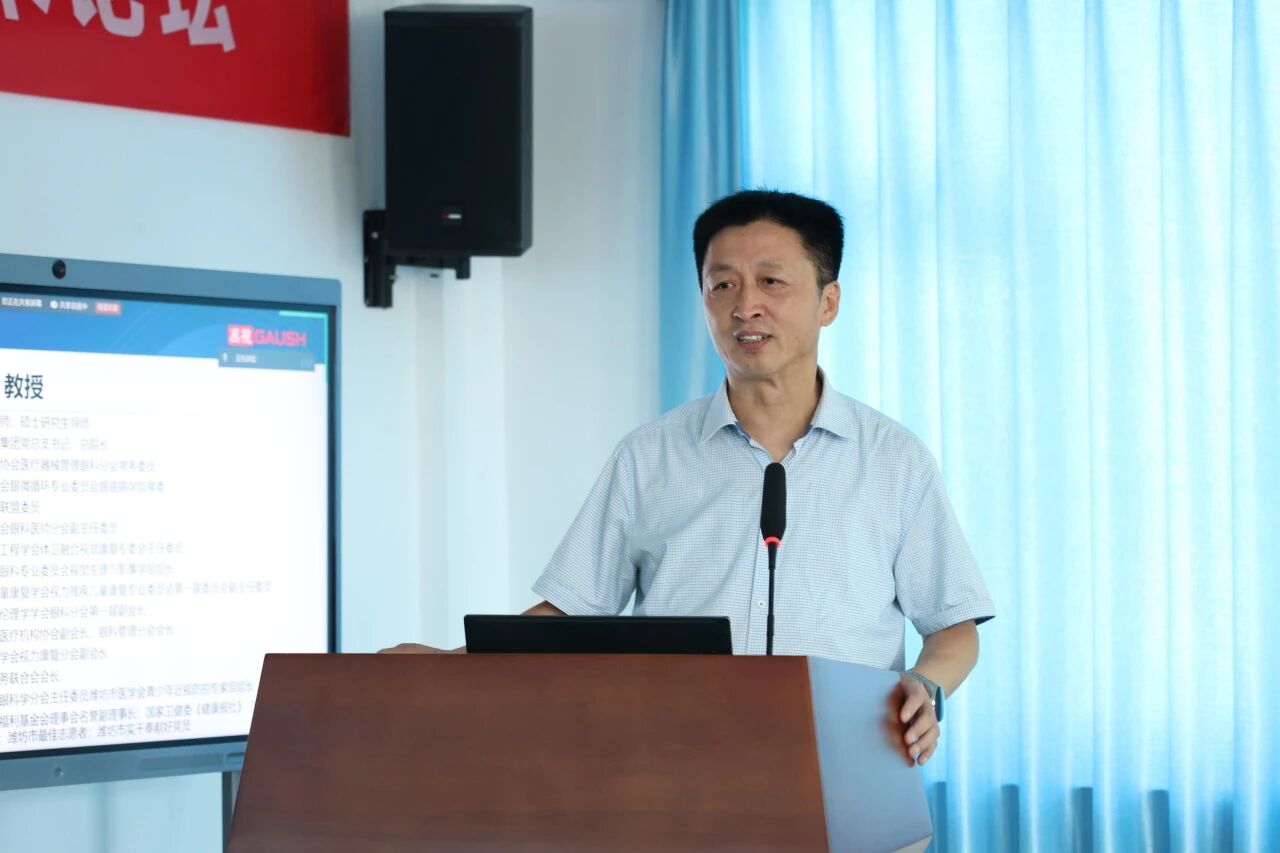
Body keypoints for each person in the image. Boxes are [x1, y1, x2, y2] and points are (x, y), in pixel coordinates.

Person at [382, 190, 995, 768]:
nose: (744, 306)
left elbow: (953, 624)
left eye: (771, 282)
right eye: (721, 284)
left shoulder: (893, 460)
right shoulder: (649, 457)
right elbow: (570, 612)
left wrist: (925, 684)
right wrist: (453, 662)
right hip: (680, 772)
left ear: (828, 301)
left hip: (848, 767)